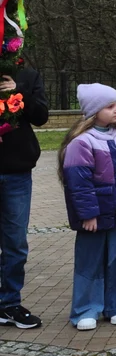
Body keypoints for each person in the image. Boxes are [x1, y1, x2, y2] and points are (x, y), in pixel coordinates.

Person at [60, 84, 116, 330]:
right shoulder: (82, 143)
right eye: (110, 106)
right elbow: (78, 183)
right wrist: (88, 214)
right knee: (90, 262)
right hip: (95, 218)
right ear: (94, 110)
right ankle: (86, 309)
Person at [0, 63, 48, 329]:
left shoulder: (27, 75)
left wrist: (18, 92)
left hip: (17, 173)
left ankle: (8, 304)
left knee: (15, 244)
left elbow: (41, 115)